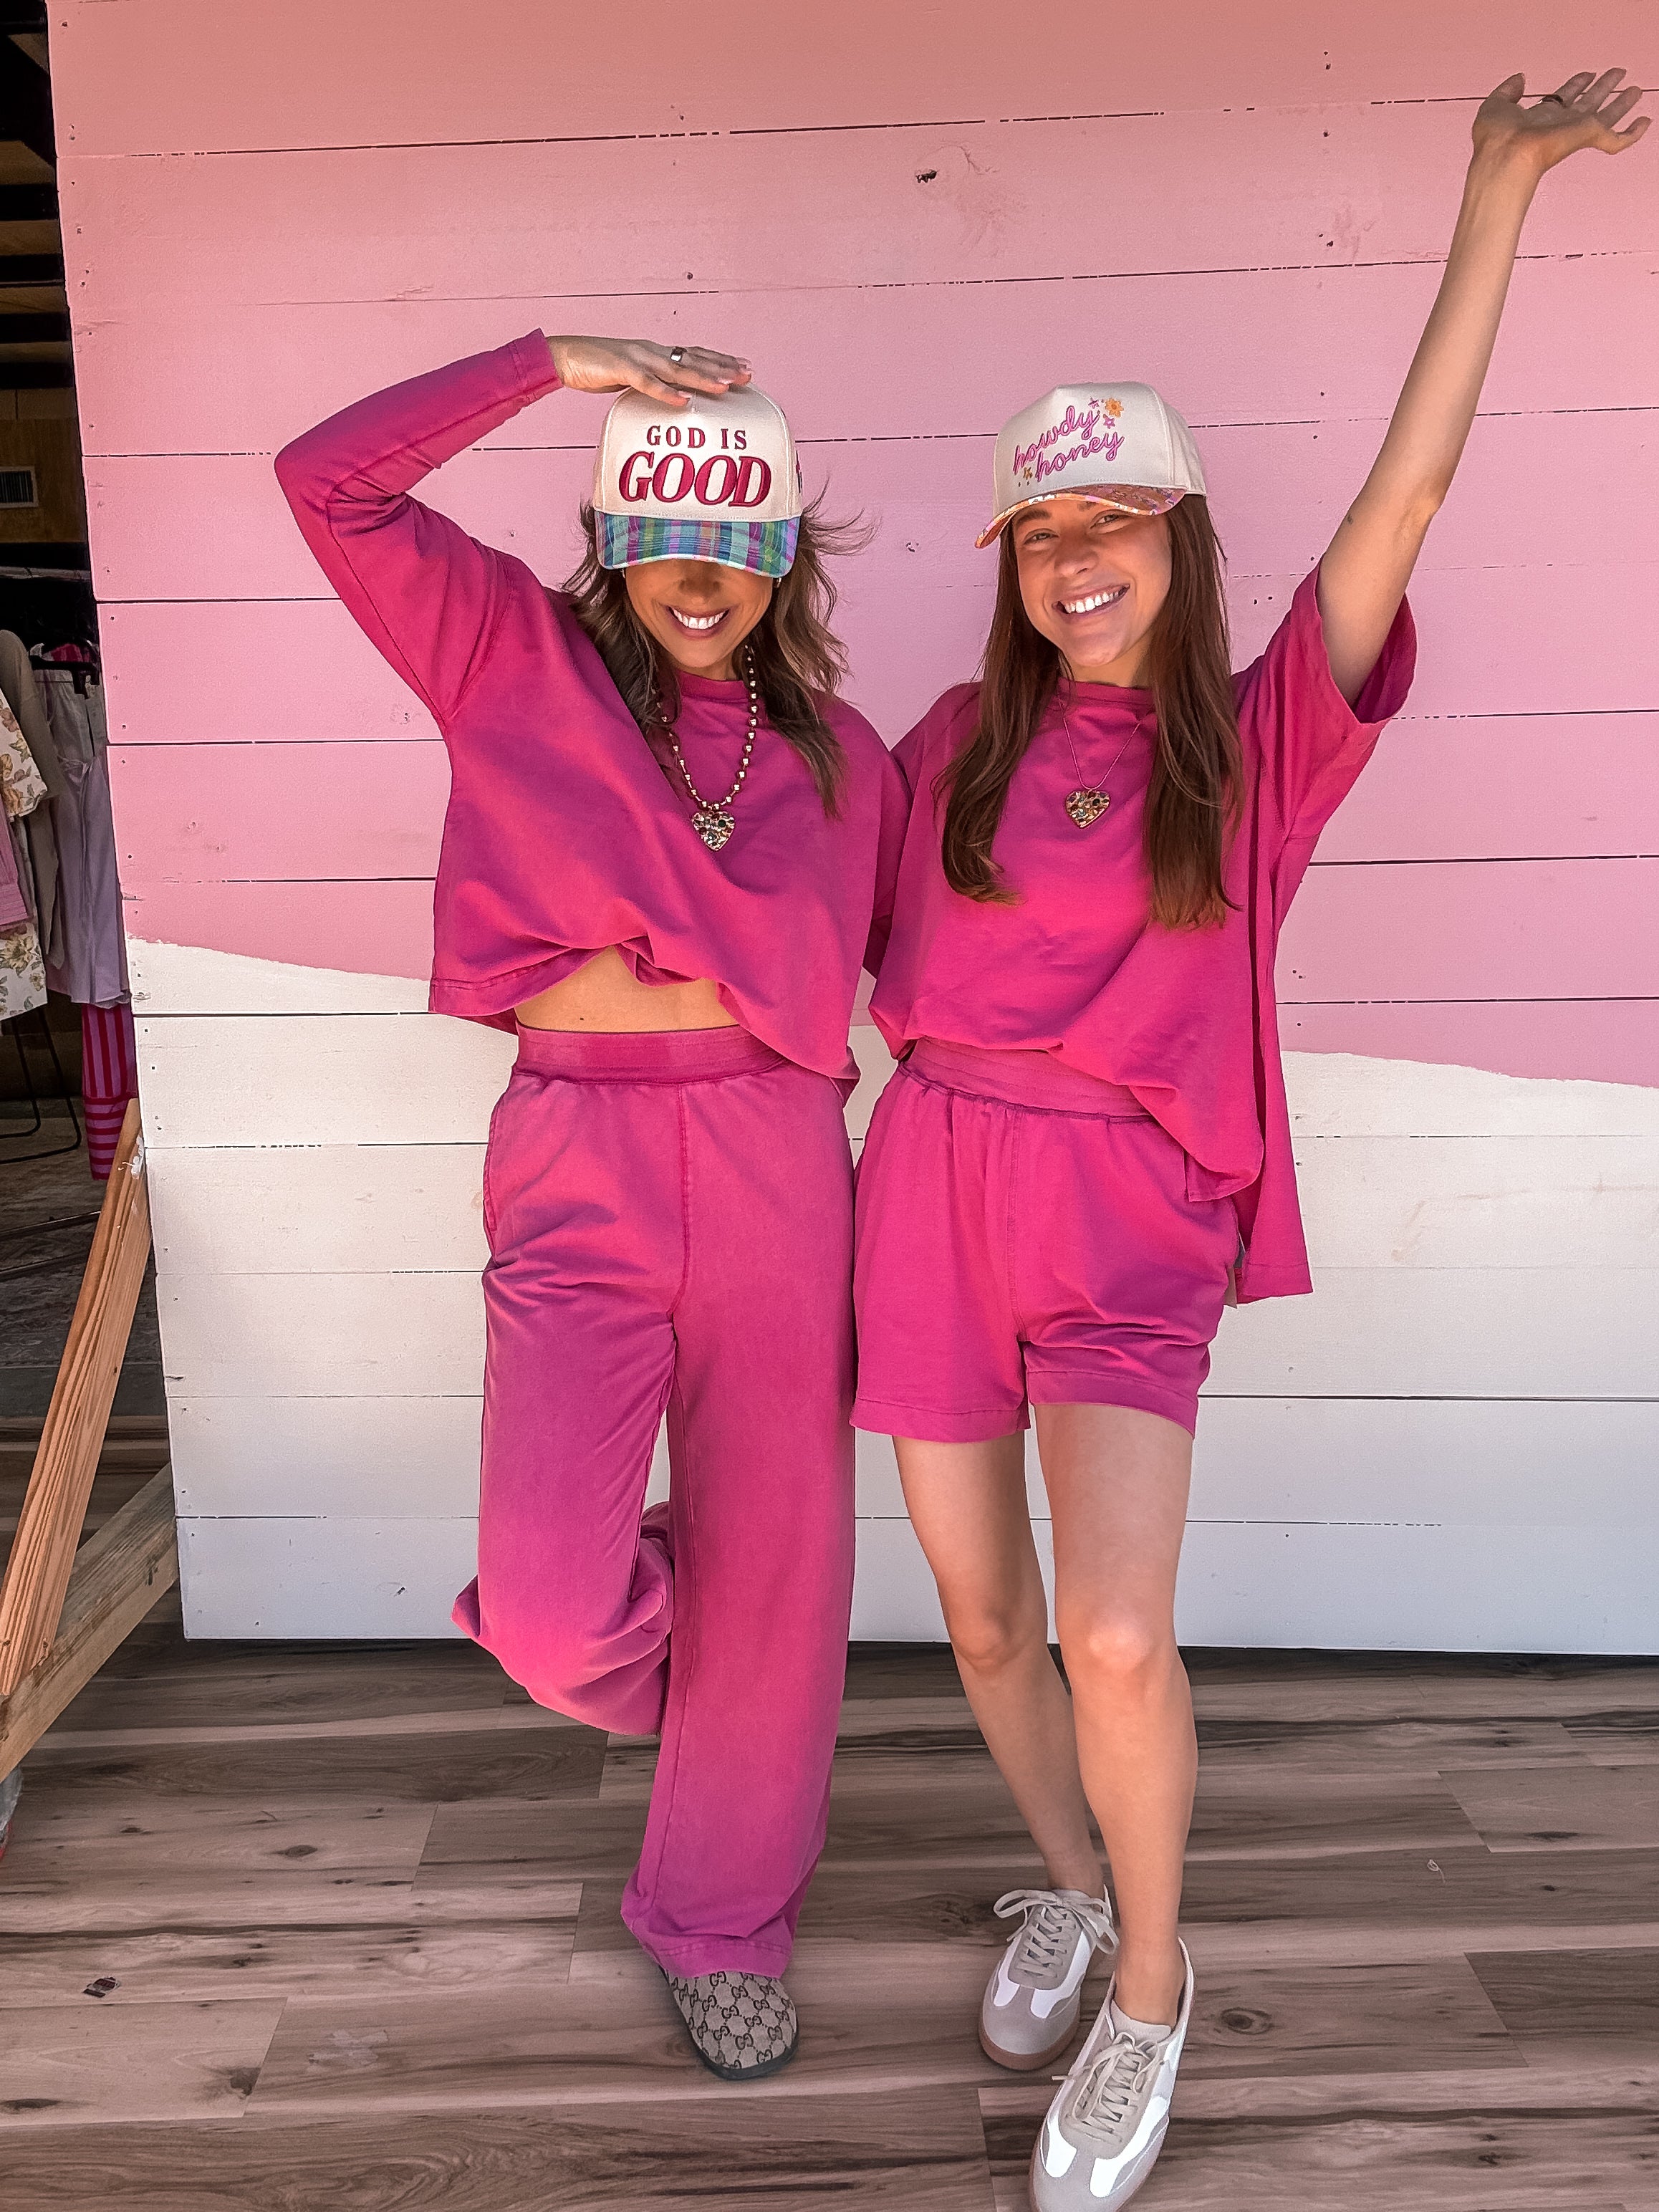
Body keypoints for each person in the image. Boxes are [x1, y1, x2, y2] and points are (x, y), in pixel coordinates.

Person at [853, 68, 1648, 2210]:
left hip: (1125, 1210)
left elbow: (1410, 487)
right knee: (988, 1626)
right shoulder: (945, 744)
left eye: (1114, 521)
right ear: (1014, 566)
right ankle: (1069, 1879)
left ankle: (1151, 1985)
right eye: (1045, 530)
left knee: (1112, 1633)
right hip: (925, 1188)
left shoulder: (1254, 742)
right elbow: (777, 902)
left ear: (1177, 543)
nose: (1078, 558)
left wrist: (1494, 187)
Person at [276, 330, 905, 2081]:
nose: (701, 576)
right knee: (558, 1611)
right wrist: (551, 361)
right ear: (614, 541)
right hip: (576, 1147)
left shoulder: (849, 756)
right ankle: (742, 1684)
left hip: (782, 1158)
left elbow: (950, 966)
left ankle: (721, 1912)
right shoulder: (508, 655)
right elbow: (325, 482)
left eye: (739, 542)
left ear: (784, 553)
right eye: (663, 537)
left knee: (784, 1554)